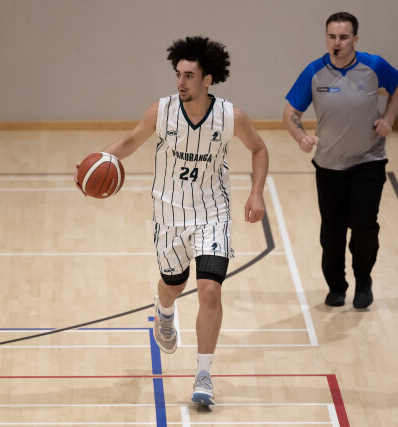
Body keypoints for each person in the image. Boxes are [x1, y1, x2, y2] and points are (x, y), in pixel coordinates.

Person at [75, 36, 268, 405]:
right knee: (173, 285)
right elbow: (129, 142)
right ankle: (164, 311)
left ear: (207, 79)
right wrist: (91, 164)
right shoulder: (161, 111)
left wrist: (256, 192)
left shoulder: (231, 117)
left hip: (213, 214)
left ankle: (204, 375)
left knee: (209, 291)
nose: (181, 82)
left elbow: (259, 148)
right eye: (178, 74)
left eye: (189, 76)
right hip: (169, 214)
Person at [283, 12, 398, 309]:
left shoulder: (374, 66)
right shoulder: (314, 72)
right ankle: (336, 287)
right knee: (332, 233)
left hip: (368, 161)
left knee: (364, 226)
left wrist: (389, 119)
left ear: (355, 39)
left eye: (343, 37)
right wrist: (300, 137)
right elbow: (290, 113)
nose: (336, 43)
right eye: (332, 37)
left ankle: (363, 280)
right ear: (326, 38)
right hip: (328, 167)